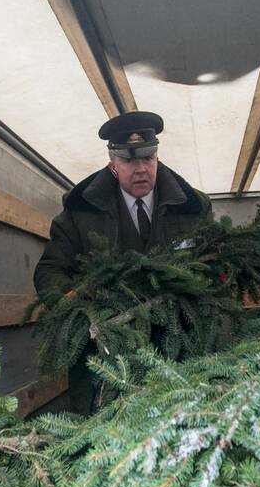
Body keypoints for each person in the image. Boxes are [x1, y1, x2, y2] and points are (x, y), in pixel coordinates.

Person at [33, 110, 212, 413]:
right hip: (105, 356)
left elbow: (213, 263)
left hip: (178, 350)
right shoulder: (80, 211)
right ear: (112, 163)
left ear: (157, 156)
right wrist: (79, 306)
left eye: (148, 157)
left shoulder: (192, 207)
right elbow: (50, 271)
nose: (140, 168)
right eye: (129, 160)